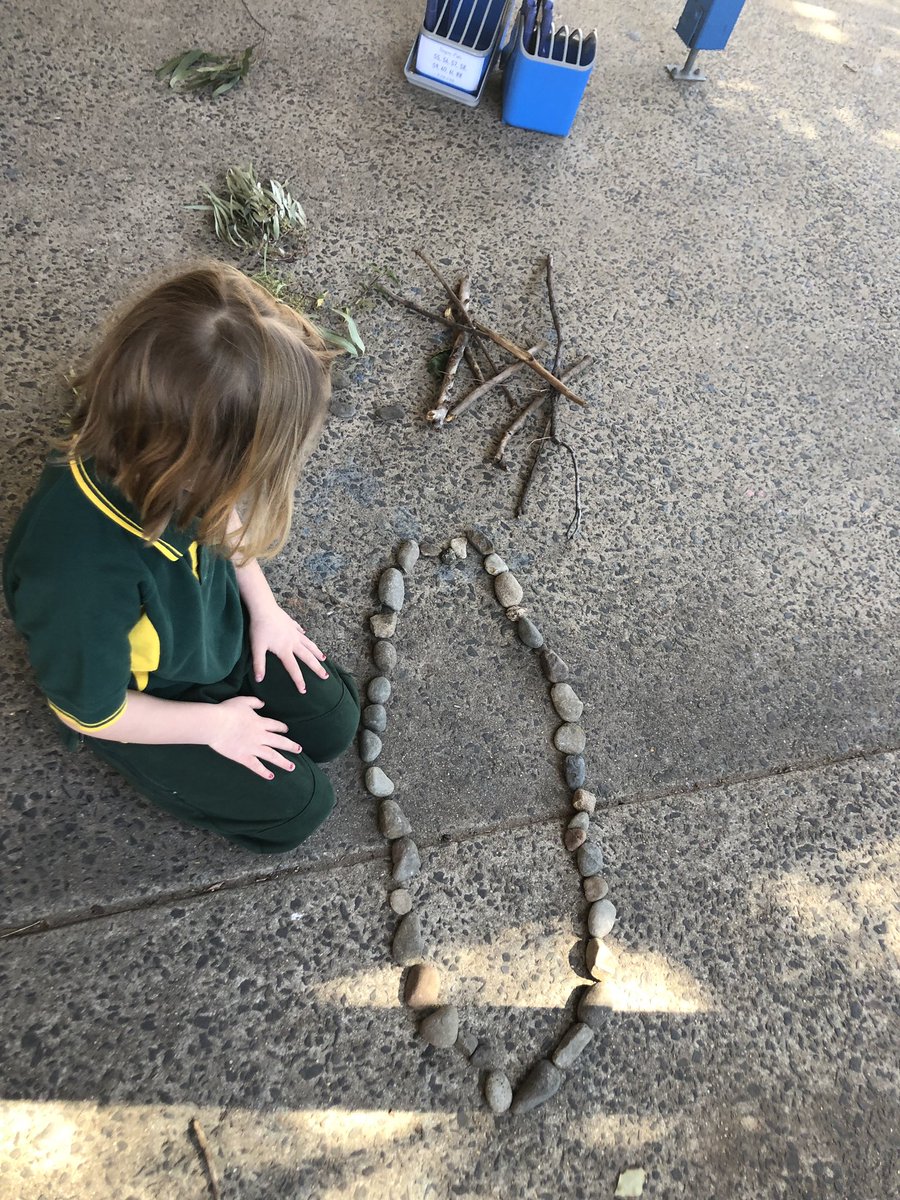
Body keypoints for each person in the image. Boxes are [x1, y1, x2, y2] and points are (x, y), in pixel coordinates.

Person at [3, 260, 361, 853]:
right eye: (249, 471)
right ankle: (178, 752)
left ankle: (230, 693)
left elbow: (221, 512)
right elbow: (88, 711)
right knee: (299, 808)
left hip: (207, 632)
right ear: (205, 463)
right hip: (148, 696)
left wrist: (266, 610)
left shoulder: (164, 452)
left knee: (332, 723)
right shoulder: (79, 574)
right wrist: (214, 725)